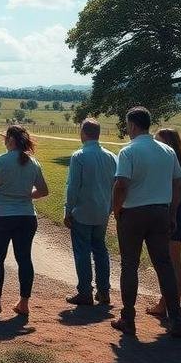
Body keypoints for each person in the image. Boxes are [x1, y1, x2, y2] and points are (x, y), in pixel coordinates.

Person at [110, 107, 181, 337]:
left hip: (133, 213)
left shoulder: (128, 151)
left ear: (133, 125)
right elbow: (179, 183)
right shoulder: (167, 151)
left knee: (129, 265)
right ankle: (175, 316)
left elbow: (121, 184)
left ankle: (128, 317)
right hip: (160, 211)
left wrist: (117, 210)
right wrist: (173, 211)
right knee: (163, 264)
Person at [0, 125, 49, 316]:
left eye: (5, 138)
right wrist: (26, 195)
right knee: (24, 259)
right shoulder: (33, 163)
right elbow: (43, 190)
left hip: (1, 216)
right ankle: (24, 303)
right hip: (26, 216)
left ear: (10, 140)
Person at [63, 119, 116, 307]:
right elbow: (114, 186)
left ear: (83, 133)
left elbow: (73, 187)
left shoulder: (79, 156)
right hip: (102, 211)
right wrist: (110, 208)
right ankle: (104, 292)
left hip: (83, 211)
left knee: (82, 252)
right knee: (100, 250)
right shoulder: (112, 157)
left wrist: (68, 210)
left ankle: (85, 292)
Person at [146, 127, 181, 318]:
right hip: (177, 214)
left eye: (159, 141)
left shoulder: (172, 164)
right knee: (173, 260)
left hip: (170, 214)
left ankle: (166, 303)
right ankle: (173, 302)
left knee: (168, 262)